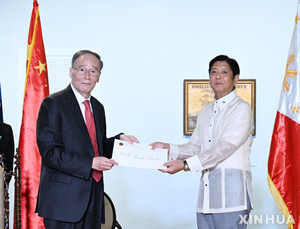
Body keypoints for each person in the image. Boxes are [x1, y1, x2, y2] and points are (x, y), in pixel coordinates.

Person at [35, 50, 139, 229]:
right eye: (82, 69)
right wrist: (90, 163)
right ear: (71, 71)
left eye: (93, 71)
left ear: (99, 76)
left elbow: (95, 147)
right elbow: (50, 152)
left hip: (93, 198)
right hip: (63, 202)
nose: (87, 76)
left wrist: (119, 141)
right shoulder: (53, 103)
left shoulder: (98, 108)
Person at [151, 55, 253, 229]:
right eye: (214, 72)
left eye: (224, 72)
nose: (218, 76)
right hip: (206, 199)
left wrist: (184, 165)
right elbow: (195, 147)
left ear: (235, 78)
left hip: (232, 199)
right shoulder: (205, 111)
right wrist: (167, 148)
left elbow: (224, 147)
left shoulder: (241, 108)